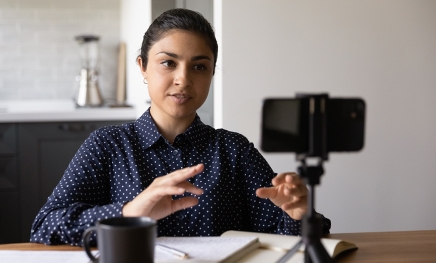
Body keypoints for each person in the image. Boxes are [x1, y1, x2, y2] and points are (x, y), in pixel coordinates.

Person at [30, 8, 331, 246]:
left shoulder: (233, 150)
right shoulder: (107, 145)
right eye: (168, 63)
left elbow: (290, 234)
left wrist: (298, 213)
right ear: (142, 67)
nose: (183, 79)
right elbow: (45, 227)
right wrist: (131, 211)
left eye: (199, 67)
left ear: (212, 73)